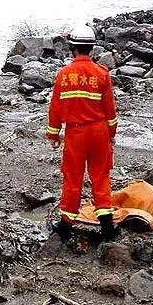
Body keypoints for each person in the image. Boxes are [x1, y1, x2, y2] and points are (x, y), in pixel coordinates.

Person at [46, 25, 118, 242]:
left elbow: (55, 108)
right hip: (99, 132)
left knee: (72, 177)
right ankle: (107, 226)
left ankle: (65, 225)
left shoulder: (64, 75)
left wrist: (53, 135)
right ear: (92, 48)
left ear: (73, 48)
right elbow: (110, 111)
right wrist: (111, 134)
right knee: (101, 176)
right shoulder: (102, 74)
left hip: (75, 134)